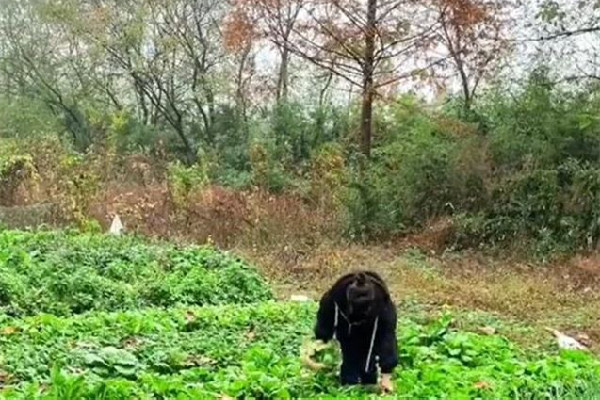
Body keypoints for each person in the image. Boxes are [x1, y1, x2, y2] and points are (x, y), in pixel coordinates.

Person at [313, 270, 398, 393]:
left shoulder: (384, 306)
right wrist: (319, 348)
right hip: (345, 332)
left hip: (369, 336)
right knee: (348, 363)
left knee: (368, 367)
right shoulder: (333, 299)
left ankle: (368, 383)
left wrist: (386, 375)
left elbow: (387, 338)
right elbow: (324, 324)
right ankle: (346, 385)